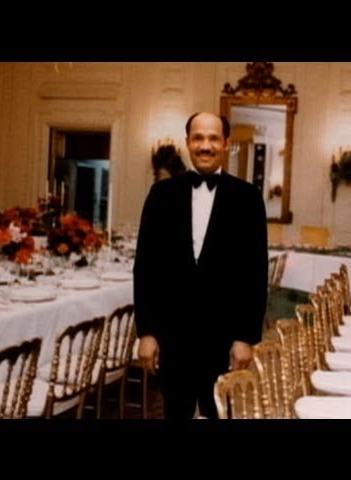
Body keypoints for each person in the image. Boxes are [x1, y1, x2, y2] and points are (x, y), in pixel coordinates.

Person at [133, 112, 268, 419]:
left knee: (220, 414)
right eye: (198, 138)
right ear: (187, 142)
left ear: (227, 144)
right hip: (171, 337)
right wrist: (147, 332)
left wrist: (245, 337)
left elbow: (255, 274)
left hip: (224, 337)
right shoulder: (161, 195)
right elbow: (145, 269)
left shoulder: (248, 198)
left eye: (213, 138)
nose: (205, 146)